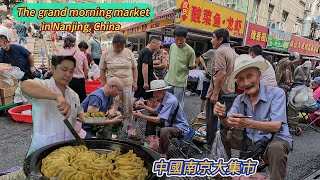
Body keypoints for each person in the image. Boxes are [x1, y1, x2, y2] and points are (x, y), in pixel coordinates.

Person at [214, 54, 292, 180]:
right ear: (238, 83)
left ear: (259, 75)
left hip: (274, 141)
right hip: (251, 143)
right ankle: (226, 173)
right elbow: (229, 123)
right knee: (223, 133)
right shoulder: (239, 99)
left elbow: (277, 126)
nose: (246, 83)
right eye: (241, 79)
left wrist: (248, 123)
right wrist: (223, 116)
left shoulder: (277, 94)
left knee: (276, 148)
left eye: (249, 76)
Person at [20, 55, 84, 156]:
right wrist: (57, 97)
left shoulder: (73, 95)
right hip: (44, 148)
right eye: (64, 69)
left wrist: (105, 120)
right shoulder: (42, 85)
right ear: (53, 68)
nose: (68, 74)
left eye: (71, 71)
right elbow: (25, 85)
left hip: (68, 150)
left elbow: (82, 117)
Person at [133, 80, 190, 159]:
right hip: (169, 123)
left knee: (164, 131)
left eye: (155, 92)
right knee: (151, 117)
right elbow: (156, 111)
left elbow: (159, 120)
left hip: (180, 128)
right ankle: (150, 141)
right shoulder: (164, 97)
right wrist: (143, 106)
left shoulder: (170, 101)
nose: (153, 95)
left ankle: (162, 154)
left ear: (161, 91)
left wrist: (141, 116)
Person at [99, 33, 138, 132]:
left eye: (122, 46)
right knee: (113, 106)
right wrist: (103, 84)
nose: (120, 48)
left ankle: (127, 127)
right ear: (112, 44)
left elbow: (134, 68)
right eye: (117, 46)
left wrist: (135, 82)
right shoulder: (106, 53)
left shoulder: (129, 53)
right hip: (112, 86)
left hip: (127, 83)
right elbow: (102, 70)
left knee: (127, 106)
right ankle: (112, 126)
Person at [207, 28, 238, 148]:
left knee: (212, 120)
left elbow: (221, 73)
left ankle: (211, 144)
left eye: (213, 37)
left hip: (219, 92)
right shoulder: (233, 52)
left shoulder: (220, 51)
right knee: (225, 120)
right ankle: (223, 144)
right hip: (230, 91)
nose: (211, 41)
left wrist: (214, 93)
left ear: (220, 39)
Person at [164, 27, 195, 108]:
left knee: (177, 104)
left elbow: (191, 67)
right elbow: (170, 60)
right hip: (168, 80)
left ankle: (177, 120)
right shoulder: (172, 46)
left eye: (181, 40)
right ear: (174, 38)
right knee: (166, 102)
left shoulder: (190, 51)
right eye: (177, 39)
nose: (179, 42)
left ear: (185, 38)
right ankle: (167, 119)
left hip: (180, 82)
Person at [57, 36, 89, 102]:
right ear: (74, 43)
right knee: (81, 102)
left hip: (65, 80)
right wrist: (85, 77)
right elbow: (86, 68)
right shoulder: (81, 53)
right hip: (79, 80)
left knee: (67, 101)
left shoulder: (60, 53)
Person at [134, 35, 162, 103]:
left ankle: (127, 110)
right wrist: (146, 82)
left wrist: (155, 77)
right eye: (158, 45)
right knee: (152, 97)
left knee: (138, 97)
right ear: (153, 42)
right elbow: (145, 66)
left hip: (141, 79)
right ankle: (152, 112)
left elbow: (149, 67)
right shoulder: (147, 52)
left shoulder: (145, 51)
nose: (158, 47)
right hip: (144, 80)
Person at [198, 49, 215, 113]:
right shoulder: (212, 51)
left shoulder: (224, 53)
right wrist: (205, 68)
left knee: (213, 98)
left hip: (216, 79)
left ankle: (209, 113)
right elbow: (201, 57)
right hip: (208, 77)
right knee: (204, 97)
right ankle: (201, 113)